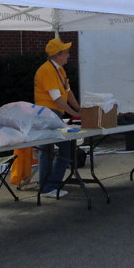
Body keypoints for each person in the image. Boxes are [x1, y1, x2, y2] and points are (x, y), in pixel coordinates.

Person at [33, 37, 81, 197]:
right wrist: (73, 112)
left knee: (49, 149)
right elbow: (57, 98)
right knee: (60, 148)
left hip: (52, 113)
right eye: (66, 53)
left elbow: (67, 92)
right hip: (48, 114)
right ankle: (49, 186)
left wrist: (78, 108)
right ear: (57, 55)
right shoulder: (47, 70)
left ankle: (48, 185)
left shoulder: (59, 69)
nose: (68, 55)